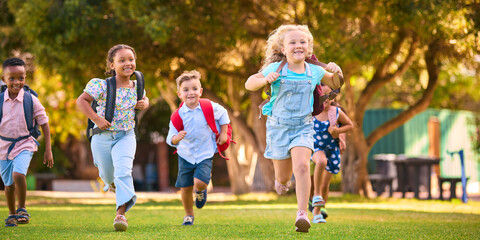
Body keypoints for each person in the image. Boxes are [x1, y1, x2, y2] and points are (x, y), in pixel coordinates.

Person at [245, 24, 343, 233]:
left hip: (303, 126)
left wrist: (337, 71)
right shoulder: (276, 68)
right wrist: (264, 79)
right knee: (282, 177)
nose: (298, 45)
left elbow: (335, 83)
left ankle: (302, 214)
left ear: (308, 47)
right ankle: (281, 183)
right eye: (293, 42)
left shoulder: (315, 70)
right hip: (278, 128)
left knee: (302, 167)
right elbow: (249, 83)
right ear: (283, 48)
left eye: (302, 42)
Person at [76, 44, 149, 231]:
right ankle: (113, 184)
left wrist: (144, 103)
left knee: (123, 171)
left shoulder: (138, 85)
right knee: (108, 176)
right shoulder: (100, 84)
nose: (128, 63)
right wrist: (97, 119)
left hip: (126, 136)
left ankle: (120, 215)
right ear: (112, 65)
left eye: (131, 59)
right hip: (101, 136)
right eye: (122, 60)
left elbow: (144, 100)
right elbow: (81, 101)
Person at [166, 70, 230, 226]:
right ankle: (189, 215)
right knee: (185, 187)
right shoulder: (177, 115)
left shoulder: (209, 107)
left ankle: (201, 191)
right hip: (185, 155)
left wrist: (223, 132)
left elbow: (223, 114)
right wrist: (177, 138)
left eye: (194, 89)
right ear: (179, 94)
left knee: (199, 183)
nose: (191, 93)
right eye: (186, 90)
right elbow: (170, 138)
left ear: (200, 91)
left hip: (205, 153)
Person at [0, 57, 54, 227]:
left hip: (25, 143)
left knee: (18, 174)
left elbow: (44, 122)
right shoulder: (0, 100)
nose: (17, 82)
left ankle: (22, 208)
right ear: (3, 79)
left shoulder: (31, 99)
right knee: (8, 184)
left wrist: (48, 149)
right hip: (3, 146)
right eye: (12, 78)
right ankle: (11, 214)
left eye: (21, 78)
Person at [311, 85, 353, 223]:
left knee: (325, 184)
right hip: (317, 148)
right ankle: (316, 197)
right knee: (321, 162)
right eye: (322, 96)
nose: (326, 99)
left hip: (332, 150)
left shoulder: (336, 112)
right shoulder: (311, 112)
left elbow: (350, 125)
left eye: (329, 95)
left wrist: (337, 132)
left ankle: (318, 211)